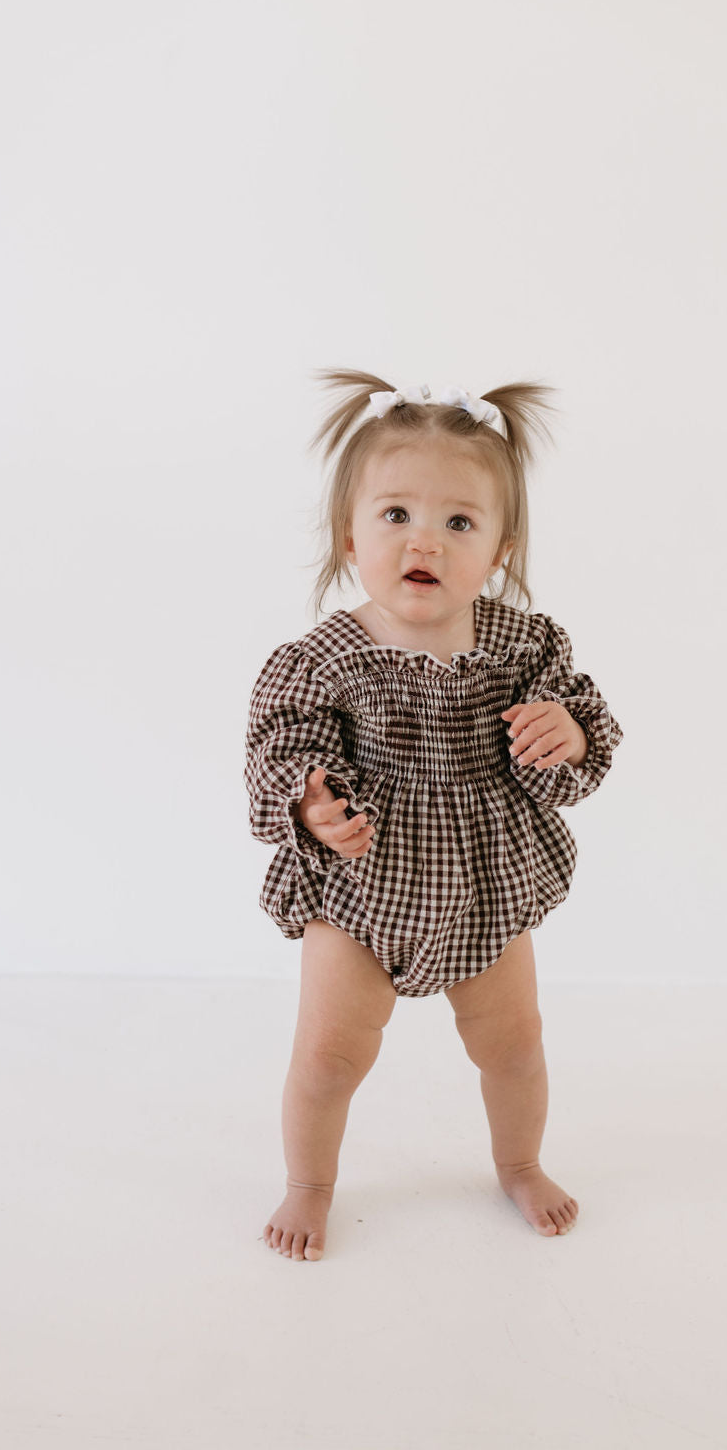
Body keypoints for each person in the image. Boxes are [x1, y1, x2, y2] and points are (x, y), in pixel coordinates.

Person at [244, 368, 624, 1261]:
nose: (427, 542)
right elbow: (276, 746)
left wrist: (565, 731)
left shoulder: (522, 646)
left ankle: (521, 1161)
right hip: (361, 888)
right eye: (396, 516)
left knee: (516, 1045)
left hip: (485, 889)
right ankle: (310, 1183)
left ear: (500, 547)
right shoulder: (326, 659)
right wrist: (312, 800)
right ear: (348, 534)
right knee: (331, 1054)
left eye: (460, 522)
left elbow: (589, 726)